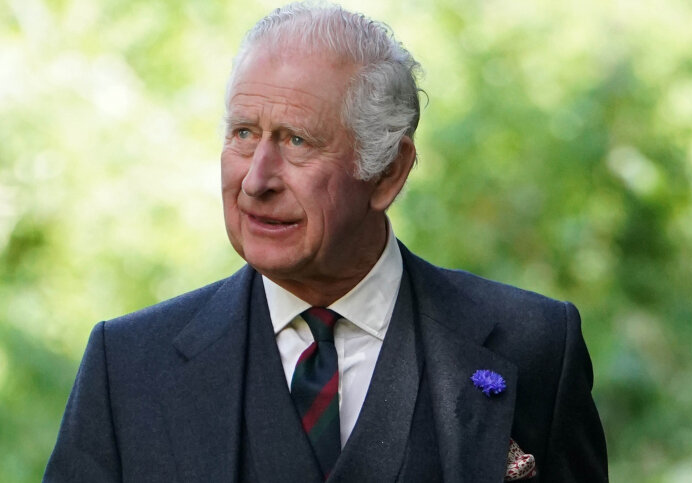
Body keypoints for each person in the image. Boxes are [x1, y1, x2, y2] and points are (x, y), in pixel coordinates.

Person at [44, 3, 608, 482]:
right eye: (244, 134)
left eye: (296, 141)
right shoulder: (128, 367)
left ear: (388, 172)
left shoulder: (534, 348)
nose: (256, 180)